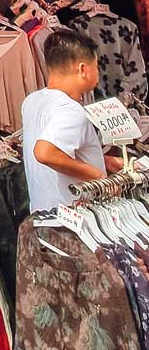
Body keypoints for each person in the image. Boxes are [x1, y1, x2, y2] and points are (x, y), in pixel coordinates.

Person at [21, 28, 122, 213]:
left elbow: (59, 152)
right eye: (96, 67)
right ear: (83, 69)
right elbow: (45, 152)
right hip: (72, 219)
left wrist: (99, 160)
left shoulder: (32, 101)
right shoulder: (71, 110)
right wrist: (97, 175)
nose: (97, 74)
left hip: (43, 213)